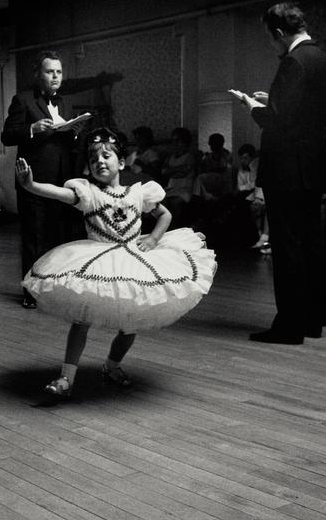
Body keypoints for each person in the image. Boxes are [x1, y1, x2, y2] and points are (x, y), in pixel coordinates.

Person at [15, 128, 216, 398]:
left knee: (131, 320)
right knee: (81, 319)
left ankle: (112, 365)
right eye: (93, 159)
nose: (100, 161)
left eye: (106, 156)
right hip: (96, 260)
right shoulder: (86, 193)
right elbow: (57, 194)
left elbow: (165, 215)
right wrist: (31, 185)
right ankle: (67, 376)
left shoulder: (138, 192)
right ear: (87, 168)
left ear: (121, 162)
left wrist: (154, 239)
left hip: (134, 259)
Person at [229, 2, 326, 344]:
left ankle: (289, 326)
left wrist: (252, 105)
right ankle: (312, 320)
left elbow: (278, 120)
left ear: (278, 33)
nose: (271, 45)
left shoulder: (292, 61)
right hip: (312, 164)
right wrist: (271, 99)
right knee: (311, 243)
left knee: (287, 245)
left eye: (270, 39)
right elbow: (306, 111)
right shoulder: (324, 60)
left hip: (286, 168)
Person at [1, 50, 91, 309]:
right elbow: (7, 136)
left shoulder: (64, 103)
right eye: (50, 71)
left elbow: (65, 143)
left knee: (58, 234)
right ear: (37, 74)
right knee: (34, 236)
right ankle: (30, 290)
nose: (55, 76)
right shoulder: (23, 100)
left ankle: (53, 286)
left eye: (59, 72)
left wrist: (74, 132)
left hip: (61, 181)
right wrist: (31, 129)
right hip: (33, 178)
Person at [160, 127, 197, 228]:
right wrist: (177, 169)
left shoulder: (190, 157)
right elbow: (164, 172)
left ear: (185, 142)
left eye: (178, 141)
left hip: (184, 189)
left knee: (174, 202)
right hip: (171, 187)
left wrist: (172, 170)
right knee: (161, 201)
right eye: (173, 141)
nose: (175, 144)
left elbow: (184, 172)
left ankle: (177, 227)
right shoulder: (170, 157)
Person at [236, 143, 270, 252]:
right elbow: (241, 186)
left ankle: (263, 238)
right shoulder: (243, 169)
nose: (243, 161)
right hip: (254, 194)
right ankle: (260, 236)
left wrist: (258, 198)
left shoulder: (257, 164)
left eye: (245, 158)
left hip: (263, 193)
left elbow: (257, 183)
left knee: (264, 208)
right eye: (241, 158)